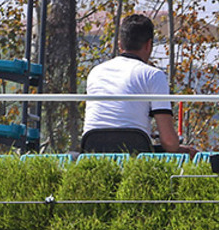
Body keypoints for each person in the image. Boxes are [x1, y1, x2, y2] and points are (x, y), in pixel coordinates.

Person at [82, 13, 197, 155]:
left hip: (93, 155)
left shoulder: (95, 72)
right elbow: (169, 143)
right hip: (135, 158)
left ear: (119, 45)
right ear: (149, 45)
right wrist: (182, 149)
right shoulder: (153, 75)